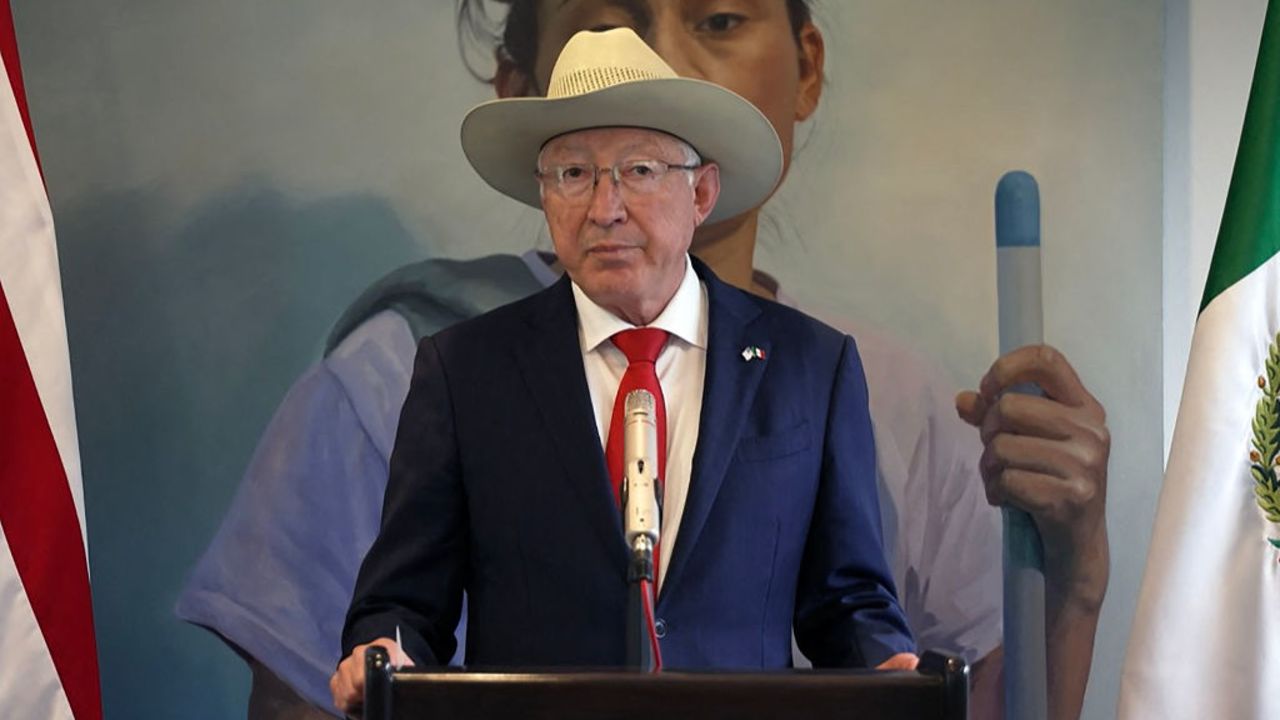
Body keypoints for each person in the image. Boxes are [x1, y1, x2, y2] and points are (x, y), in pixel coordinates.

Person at [177, 2, 1109, 719]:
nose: (661, 60)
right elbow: (356, 659)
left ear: (803, 64)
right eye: (610, 25)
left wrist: (1067, 571)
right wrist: (381, 654)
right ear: (526, 108)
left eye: (718, 18)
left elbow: (909, 657)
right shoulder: (414, 375)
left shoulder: (851, 382)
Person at [329, 27, 917, 712]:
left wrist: (888, 665)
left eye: (638, 171)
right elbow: (400, 604)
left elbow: (848, 602)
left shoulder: (811, 366)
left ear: (701, 194)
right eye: (574, 174)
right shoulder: (464, 371)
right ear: (545, 197)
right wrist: (383, 649)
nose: (604, 209)